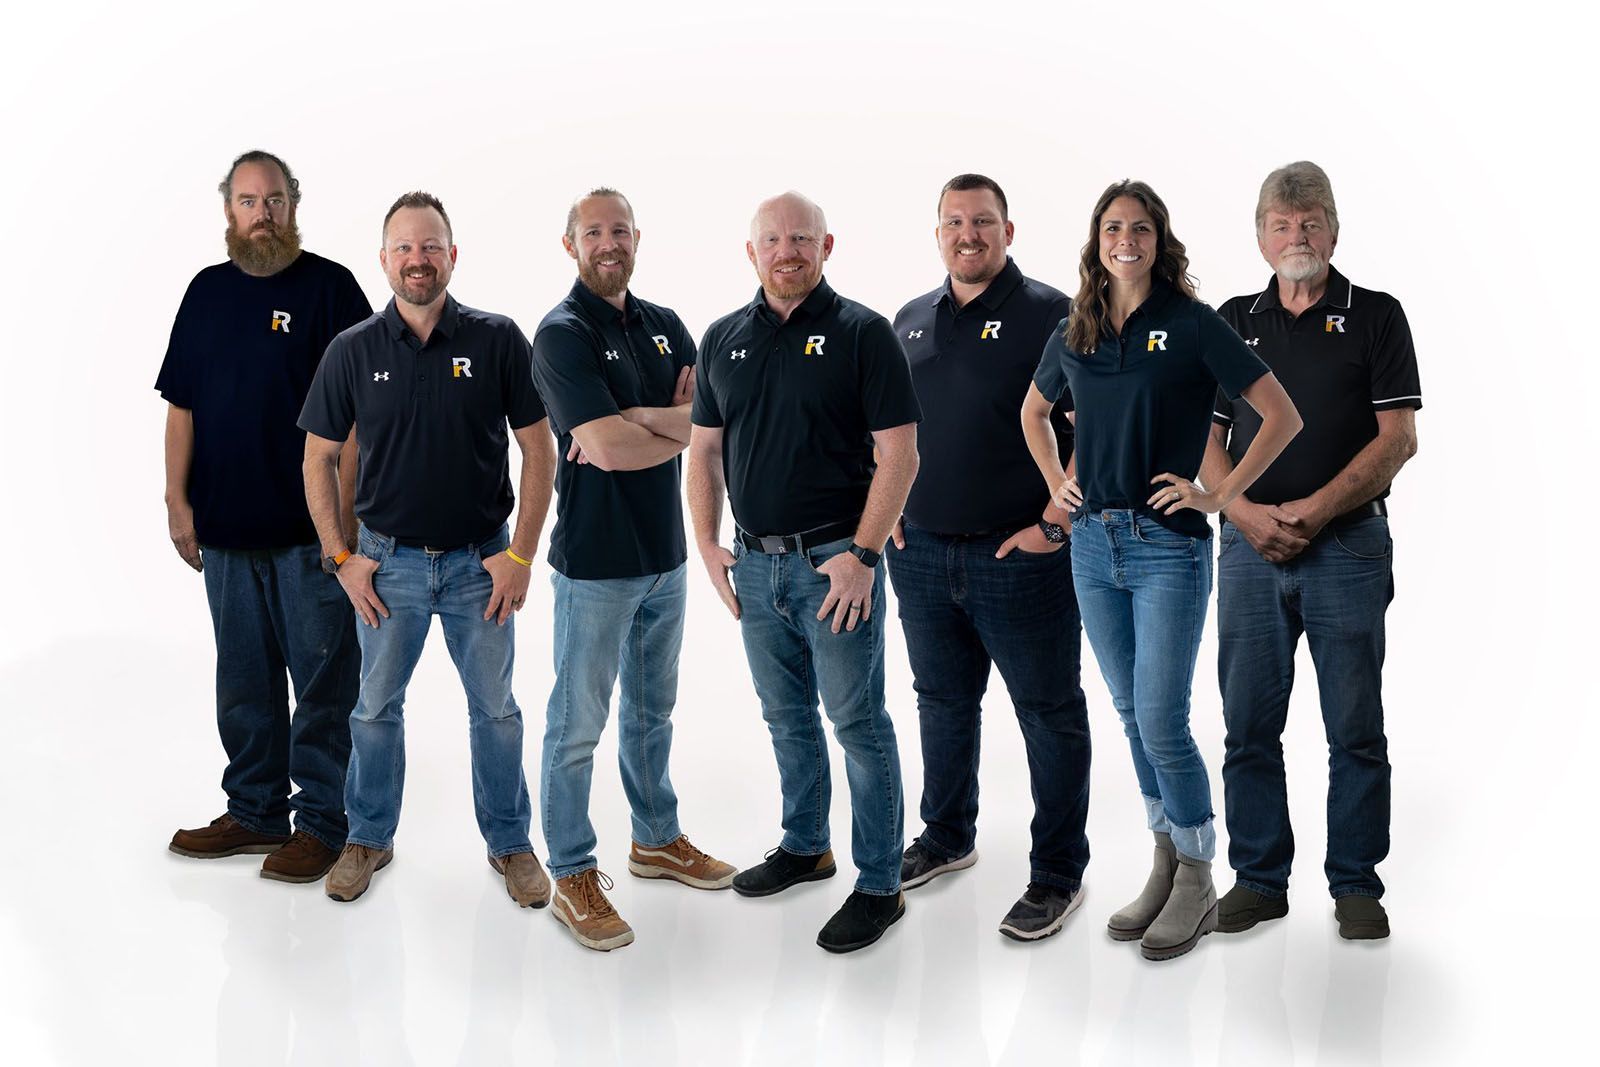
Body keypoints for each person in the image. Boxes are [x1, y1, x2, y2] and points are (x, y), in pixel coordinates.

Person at [1022, 179, 1301, 961]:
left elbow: (1279, 414)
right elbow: (1031, 413)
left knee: (1162, 718)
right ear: (1096, 241)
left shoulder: (1191, 323)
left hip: (1167, 545)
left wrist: (1219, 494)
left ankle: (1199, 873)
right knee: (1127, 709)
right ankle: (1166, 855)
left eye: (1140, 228)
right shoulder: (1075, 326)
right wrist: (1056, 485)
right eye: (1114, 227)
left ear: (1158, 239)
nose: (1126, 240)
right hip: (1092, 543)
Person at [298, 191, 557, 906]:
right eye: (405, 247)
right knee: (374, 707)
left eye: (431, 245)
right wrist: (342, 559)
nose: (418, 259)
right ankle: (368, 836)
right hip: (389, 566)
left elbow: (540, 449)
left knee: (497, 710)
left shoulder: (498, 337)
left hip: (482, 565)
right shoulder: (352, 350)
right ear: (384, 259)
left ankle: (510, 844)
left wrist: (522, 555)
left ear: (452, 255)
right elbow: (317, 459)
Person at [686, 192, 921, 954]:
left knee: (857, 720)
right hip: (755, 564)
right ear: (750, 251)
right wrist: (708, 543)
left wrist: (863, 554)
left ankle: (880, 884)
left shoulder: (863, 333)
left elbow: (901, 453)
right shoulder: (723, 337)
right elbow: (706, 452)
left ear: (827, 246)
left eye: (802, 239)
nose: (787, 251)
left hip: (835, 566)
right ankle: (805, 844)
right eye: (773, 240)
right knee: (785, 715)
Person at [1202, 162, 1420, 941]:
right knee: (1247, 724)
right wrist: (1248, 514)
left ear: (1335, 228)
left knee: (1354, 725)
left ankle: (1356, 883)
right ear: (1261, 235)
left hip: (1348, 548)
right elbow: (1207, 436)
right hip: (1248, 552)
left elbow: (1399, 439)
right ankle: (1259, 877)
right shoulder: (1230, 320)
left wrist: (1317, 510)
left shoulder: (1377, 317)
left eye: (1312, 220)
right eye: (1283, 223)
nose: (1298, 235)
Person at [530, 188, 736, 952]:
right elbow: (609, 451)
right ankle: (572, 873)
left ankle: (655, 838)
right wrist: (656, 426)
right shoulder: (560, 335)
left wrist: (637, 422)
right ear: (570, 244)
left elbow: (709, 427)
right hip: (595, 566)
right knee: (577, 724)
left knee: (653, 714)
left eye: (619, 229)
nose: (608, 242)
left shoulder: (666, 325)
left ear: (638, 238)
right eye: (593, 231)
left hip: (665, 559)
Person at [887, 173, 1091, 941]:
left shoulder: (1053, 315)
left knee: (1049, 712)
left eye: (982, 222)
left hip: (1021, 556)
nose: (967, 235)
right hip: (922, 553)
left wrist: (1054, 521)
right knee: (941, 702)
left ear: (1009, 229)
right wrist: (889, 512)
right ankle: (946, 834)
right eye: (953, 223)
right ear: (937, 232)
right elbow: (883, 431)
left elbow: (1093, 428)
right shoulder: (909, 319)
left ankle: (1058, 872)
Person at [159, 149, 370, 884]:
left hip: (307, 535)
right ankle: (253, 811)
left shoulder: (331, 289)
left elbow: (361, 419)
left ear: (294, 206)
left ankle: (323, 822)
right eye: (249, 201)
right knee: (243, 680)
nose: (262, 214)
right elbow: (180, 406)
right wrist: (177, 502)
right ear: (228, 212)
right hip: (223, 530)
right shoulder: (206, 292)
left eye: (275, 200)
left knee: (321, 684)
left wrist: (341, 531)